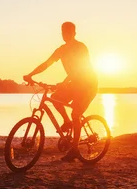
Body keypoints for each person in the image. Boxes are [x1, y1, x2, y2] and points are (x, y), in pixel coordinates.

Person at [23, 21, 98, 161]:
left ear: (74, 33)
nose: (65, 35)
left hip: (88, 85)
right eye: (63, 32)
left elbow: (81, 69)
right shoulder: (61, 50)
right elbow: (46, 63)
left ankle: (75, 150)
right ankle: (67, 121)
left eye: (68, 32)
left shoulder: (81, 48)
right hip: (75, 84)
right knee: (56, 98)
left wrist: (64, 82)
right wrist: (31, 75)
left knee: (76, 113)